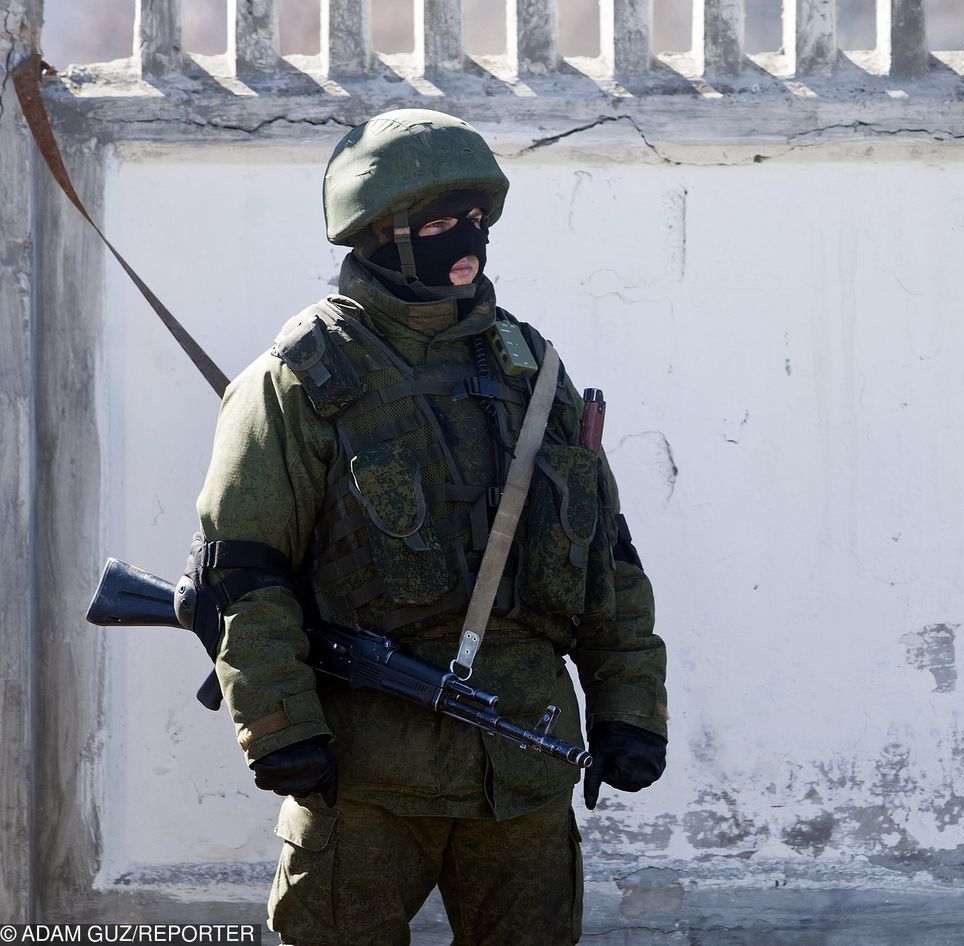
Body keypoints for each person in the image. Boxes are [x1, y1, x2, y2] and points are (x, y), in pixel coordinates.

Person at [191, 109, 669, 946]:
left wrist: (630, 705)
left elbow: (605, 557)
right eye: (439, 224)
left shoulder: (535, 372)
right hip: (366, 773)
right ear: (376, 234)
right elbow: (244, 575)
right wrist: (278, 725)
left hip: (523, 764)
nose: (466, 240)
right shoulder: (298, 383)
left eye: (475, 220)